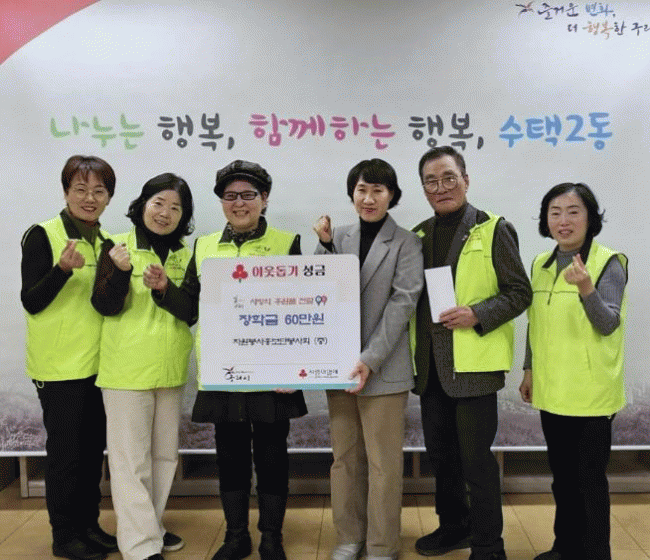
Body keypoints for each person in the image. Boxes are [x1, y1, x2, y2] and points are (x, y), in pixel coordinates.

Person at [151, 160, 307, 560]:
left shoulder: (287, 242)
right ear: (221, 201)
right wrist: (164, 289)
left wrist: (295, 366)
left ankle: (271, 536)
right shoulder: (204, 246)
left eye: (248, 195)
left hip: (272, 373)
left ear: (264, 199)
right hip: (224, 372)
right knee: (230, 458)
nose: (239, 203)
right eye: (230, 196)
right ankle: (236, 536)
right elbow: (190, 308)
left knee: (272, 457)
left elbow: (302, 307)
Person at [411, 146, 532, 560]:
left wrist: (477, 313)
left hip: (474, 367)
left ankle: (488, 545)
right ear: (423, 188)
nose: (441, 187)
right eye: (431, 181)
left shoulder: (493, 228)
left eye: (449, 177)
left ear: (466, 179)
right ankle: (453, 528)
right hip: (430, 367)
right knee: (441, 458)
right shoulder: (418, 235)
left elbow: (519, 293)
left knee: (476, 462)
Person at [313, 158, 424, 560]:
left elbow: (403, 304)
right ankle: (349, 537)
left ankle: (381, 544)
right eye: (362, 190)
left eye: (378, 190)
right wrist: (324, 245)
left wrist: (370, 358)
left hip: (384, 370)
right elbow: (319, 292)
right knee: (344, 460)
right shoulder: (338, 236)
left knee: (383, 465)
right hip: (340, 369)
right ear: (352, 194)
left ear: (391, 195)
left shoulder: (408, 243)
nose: (369, 198)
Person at [518, 183, 627, 560]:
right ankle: (565, 547)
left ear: (590, 217)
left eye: (573, 211)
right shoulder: (540, 264)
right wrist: (529, 369)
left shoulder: (608, 262)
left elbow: (608, 323)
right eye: (555, 212)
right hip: (553, 391)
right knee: (562, 480)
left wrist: (586, 289)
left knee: (589, 483)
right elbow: (535, 322)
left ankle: (595, 554)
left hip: (591, 395)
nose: (563, 221)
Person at [91, 173, 195, 560]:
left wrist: (165, 288)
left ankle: (152, 527)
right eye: (158, 203)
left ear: (183, 216)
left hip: (169, 369)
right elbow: (104, 305)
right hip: (126, 371)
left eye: (175, 208)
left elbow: (191, 311)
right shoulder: (116, 246)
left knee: (164, 458)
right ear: (143, 205)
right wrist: (120, 272)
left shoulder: (187, 254)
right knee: (130, 462)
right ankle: (139, 546)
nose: (165, 213)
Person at [20, 155, 118, 560]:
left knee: (93, 453)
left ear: (109, 197)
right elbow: (31, 300)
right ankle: (64, 535)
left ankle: (89, 526)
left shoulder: (108, 243)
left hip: (100, 367)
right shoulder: (43, 234)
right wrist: (61, 269)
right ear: (66, 192)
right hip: (59, 368)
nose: (89, 198)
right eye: (80, 189)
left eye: (98, 191)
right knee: (66, 457)